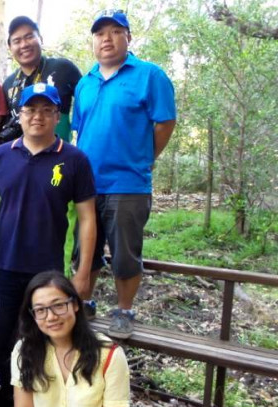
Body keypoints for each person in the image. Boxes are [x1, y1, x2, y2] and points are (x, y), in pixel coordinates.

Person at [0, 83, 97, 407]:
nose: (38, 117)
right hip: (5, 269)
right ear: (20, 113)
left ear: (57, 116)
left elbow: (87, 218)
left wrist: (82, 272)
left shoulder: (74, 159)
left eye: (46, 110)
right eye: (30, 109)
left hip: (49, 273)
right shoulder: (1, 155)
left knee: (48, 343)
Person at [72, 9, 177, 338]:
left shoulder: (149, 75)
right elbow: (80, 130)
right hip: (87, 185)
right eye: (100, 33)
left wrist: (145, 158)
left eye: (115, 31)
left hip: (128, 184)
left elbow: (166, 122)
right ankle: (85, 304)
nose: (107, 38)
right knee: (83, 251)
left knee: (125, 254)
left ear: (128, 37)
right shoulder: (85, 83)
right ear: (93, 41)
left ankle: (124, 310)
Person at [12, 271, 129, 407]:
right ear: (33, 315)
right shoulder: (24, 350)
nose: (51, 317)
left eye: (58, 305)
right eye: (40, 310)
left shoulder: (109, 354)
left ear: (75, 304)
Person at [0, 16, 83, 144]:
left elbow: (88, 107)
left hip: (60, 156)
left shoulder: (64, 68)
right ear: (10, 47)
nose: (24, 44)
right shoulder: (8, 84)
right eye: (17, 41)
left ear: (41, 39)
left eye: (29, 37)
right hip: (22, 159)